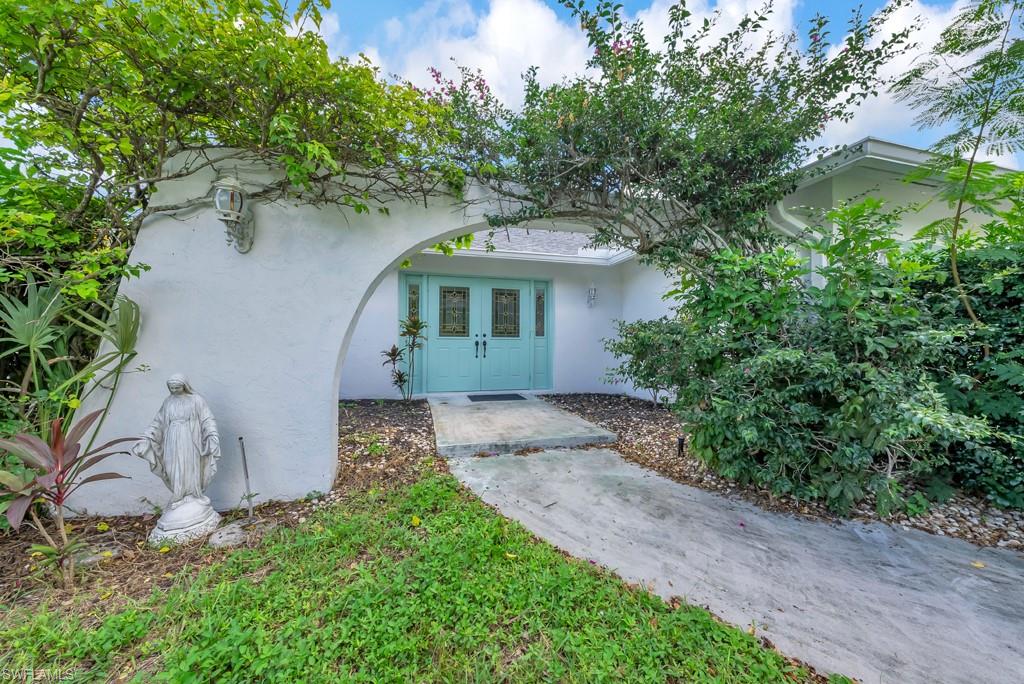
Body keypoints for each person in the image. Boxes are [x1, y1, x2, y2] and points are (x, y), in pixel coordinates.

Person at [133, 373, 220, 508]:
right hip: (172, 440)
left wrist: (211, 434)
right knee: (171, 467)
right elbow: (158, 422)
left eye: (177, 387)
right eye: (171, 388)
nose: (174, 391)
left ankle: (193, 495)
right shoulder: (168, 401)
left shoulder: (196, 400)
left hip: (190, 439)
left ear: (185, 386)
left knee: (189, 465)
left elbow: (207, 419)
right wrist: (146, 437)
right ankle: (178, 494)